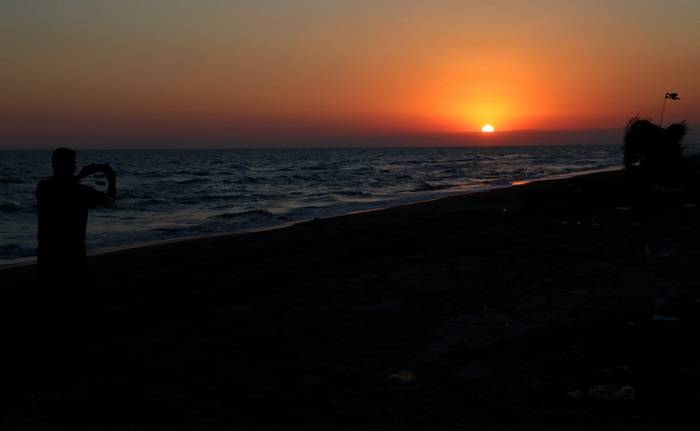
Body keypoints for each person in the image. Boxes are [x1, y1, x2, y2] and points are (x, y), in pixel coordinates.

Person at [36, 148, 116, 296]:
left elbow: (59, 184)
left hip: (47, 258)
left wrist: (79, 176)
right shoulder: (81, 192)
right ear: (71, 166)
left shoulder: (43, 187)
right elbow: (110, 201)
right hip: (73, 258)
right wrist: (111, 176)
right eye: (72, 163)